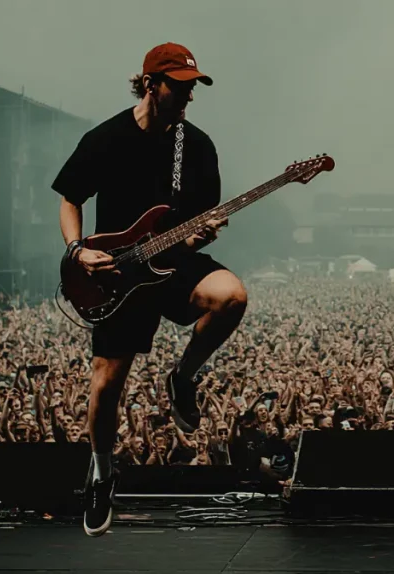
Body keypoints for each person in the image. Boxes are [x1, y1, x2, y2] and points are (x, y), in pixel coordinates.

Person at [53, 42, 248, 537]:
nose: (187, 97)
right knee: (105, 386)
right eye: (177, 87)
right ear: (148, 85)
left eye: (191, 88)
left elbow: (199, 220)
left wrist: (202, 234)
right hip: (118, 274)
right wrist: (77, 250)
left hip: (173, 261)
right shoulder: (106, 138)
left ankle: (183, 376)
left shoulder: (196, 146)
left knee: (232, 296)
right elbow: (70, 199)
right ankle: (102, 473)